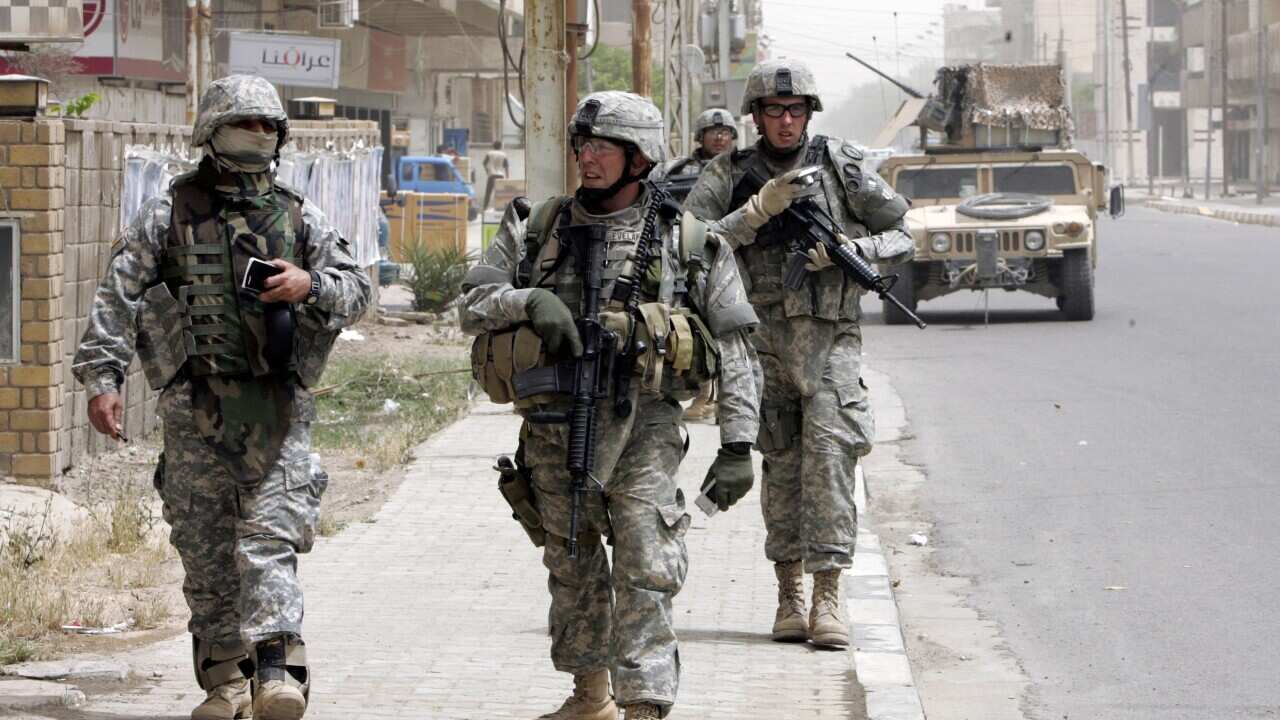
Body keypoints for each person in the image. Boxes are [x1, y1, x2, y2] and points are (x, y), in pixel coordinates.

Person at [72, 75, 371, 720]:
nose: (257, 136)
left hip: (279, 409)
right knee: (205, 553)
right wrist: (103, 379)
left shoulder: (299, 215)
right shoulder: (166, 215)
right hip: (194, 409)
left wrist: (308, 283)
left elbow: (356, 290)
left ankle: (276, 672)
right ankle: (226, 683)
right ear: (210, 131)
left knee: (268, 542)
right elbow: (116, 296)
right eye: (244, 124)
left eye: (268, 126)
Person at [460, 91, 762, 720]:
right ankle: (588, 694)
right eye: (582, 145)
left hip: (643, 423)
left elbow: (736, 349)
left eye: (604, 148)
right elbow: (471, 305)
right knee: (570, 563)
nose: (588, 159)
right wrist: (528, 304)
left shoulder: (689, 242)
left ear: (640, 158)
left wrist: (738, 443)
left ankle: (645, 703)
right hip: (552, 424)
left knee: (647, 563)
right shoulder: (535, 227)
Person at [683, 59, 914, 648]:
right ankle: (789, 594)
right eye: (773, 111)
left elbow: (902, 234)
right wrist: (757, 210)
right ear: (756, 117)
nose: (785, 122)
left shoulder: (841, 165)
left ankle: (828, 596)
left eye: (795, 111)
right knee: (781, 467)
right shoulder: (726, 172)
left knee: (831, 461)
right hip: (760, 345)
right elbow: (690, 245)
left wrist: (849, 249)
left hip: (831, 341)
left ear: (809, 113)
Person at [649, 108, 739, 424]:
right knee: (693, 322)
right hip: (688, 255)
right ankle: (703, 393)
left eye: (725, 131)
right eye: (713, 131)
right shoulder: (677, 170)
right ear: (699, 137)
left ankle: (730, 401)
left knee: (734, 329)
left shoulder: (743, 170)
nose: (719, 136)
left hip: (733, 256)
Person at [482, 139, 510, 211]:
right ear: (501, 146)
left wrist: (487, 171)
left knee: (488, 193)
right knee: (500, 194)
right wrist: (507, 177)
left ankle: (484, 208)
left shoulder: (489, 153)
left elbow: (484, 163)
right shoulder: (504, 154)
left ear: (493, 146)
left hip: (491, 175)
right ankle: (501, 208)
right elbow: (506, 166)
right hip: (500, 176)